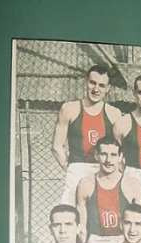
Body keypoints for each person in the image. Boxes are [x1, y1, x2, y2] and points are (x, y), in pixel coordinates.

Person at [52, 65, 122, 205]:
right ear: (86, 81)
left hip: (103, 170)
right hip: (77, 167)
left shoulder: (114, 114)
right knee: (69, 213)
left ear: (108, 88)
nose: (96, 89)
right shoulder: (69, 109)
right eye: (92, 83)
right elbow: (57, 146)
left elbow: (120, 149)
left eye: (102, 85)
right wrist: (70, 167)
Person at [76, 137, 141, 243]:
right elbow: (82, 226)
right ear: (96, 155)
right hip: (96, 241)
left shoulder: (132, 184)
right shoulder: (86, 183)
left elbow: (138, 223)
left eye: (113, 155)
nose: (108, 160)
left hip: (122, 239)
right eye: (104, 154)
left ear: (120, 157)